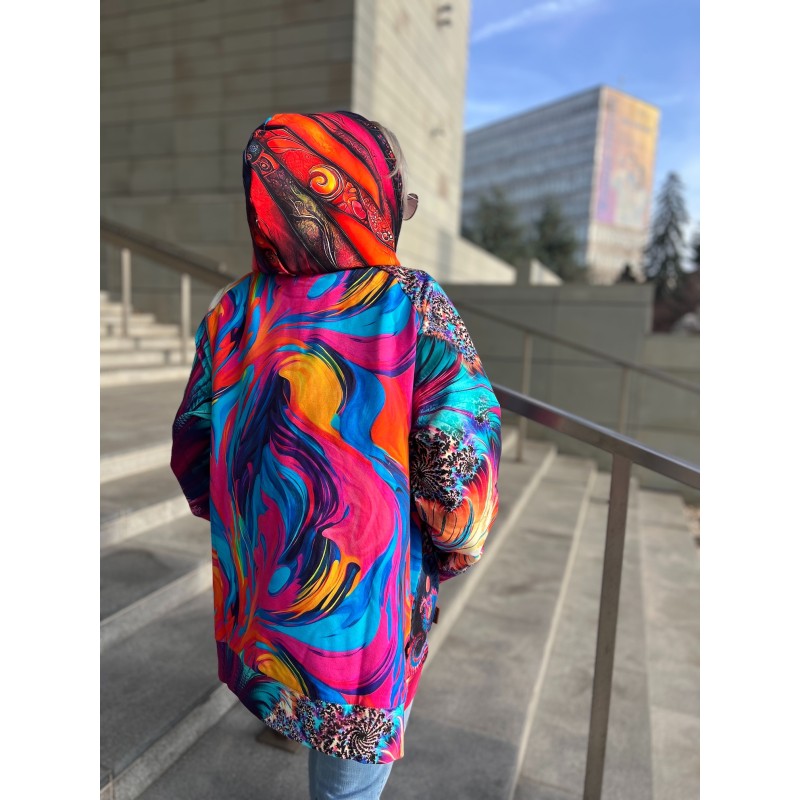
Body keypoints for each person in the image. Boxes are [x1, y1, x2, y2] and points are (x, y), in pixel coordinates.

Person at [171, 111, 501, 799]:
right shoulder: (411, 303)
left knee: (295, 705)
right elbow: (457, 467)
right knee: (347, 788)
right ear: (365, 198)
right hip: (362, 615)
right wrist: (451, 546)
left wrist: (248, 523)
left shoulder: (233, 312)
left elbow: (194, 449)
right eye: (402, 200)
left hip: (261, 594)